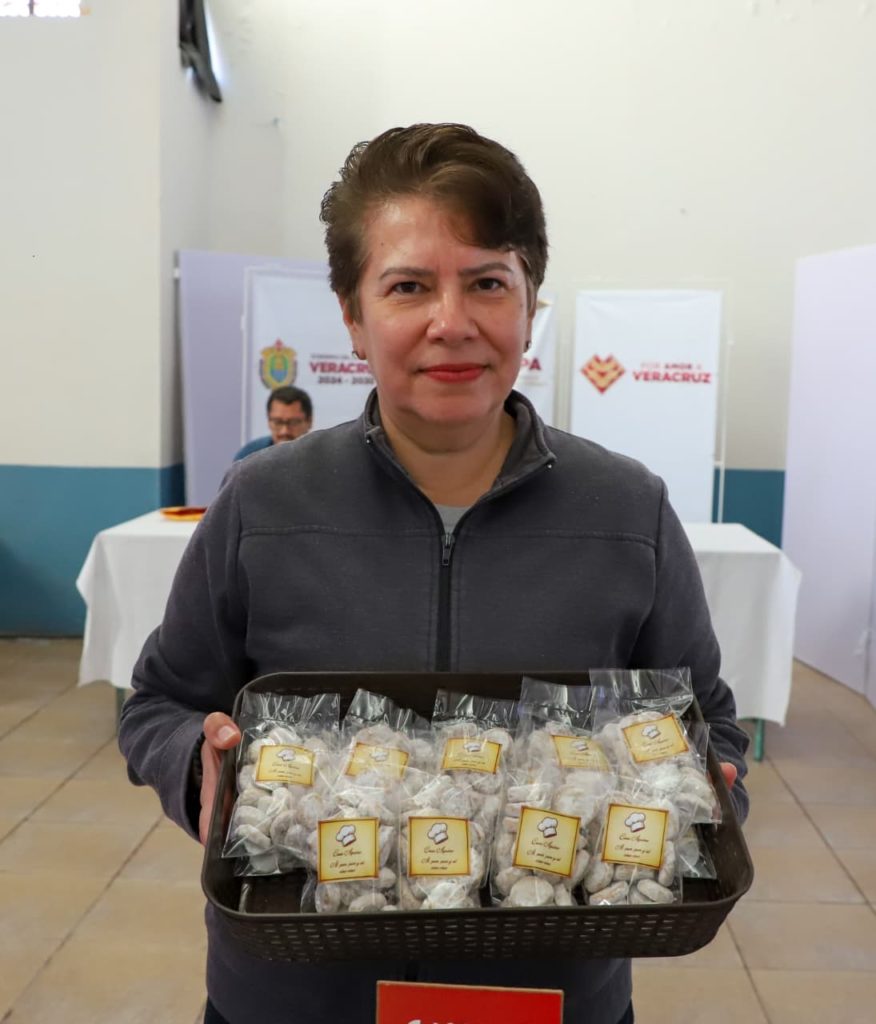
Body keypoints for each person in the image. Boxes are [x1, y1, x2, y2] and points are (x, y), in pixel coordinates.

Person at [119, 123, 749, 1024]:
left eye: (488, 282)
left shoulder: (628, 510)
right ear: (353, 315)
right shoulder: (262, 501)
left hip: (549, 999)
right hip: (294, 997)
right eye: (408, 286)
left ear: (529, 306)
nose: (451, 323)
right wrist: (199, 771)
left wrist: (702, 793)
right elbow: (157, 703)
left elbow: (708, 721)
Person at [233, 384, 313, 460]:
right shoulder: (248, 456)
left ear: (309, 421)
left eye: (293, 422)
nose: (284, 431)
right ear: (269, 421)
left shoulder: (319, 457)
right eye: (278, 422)